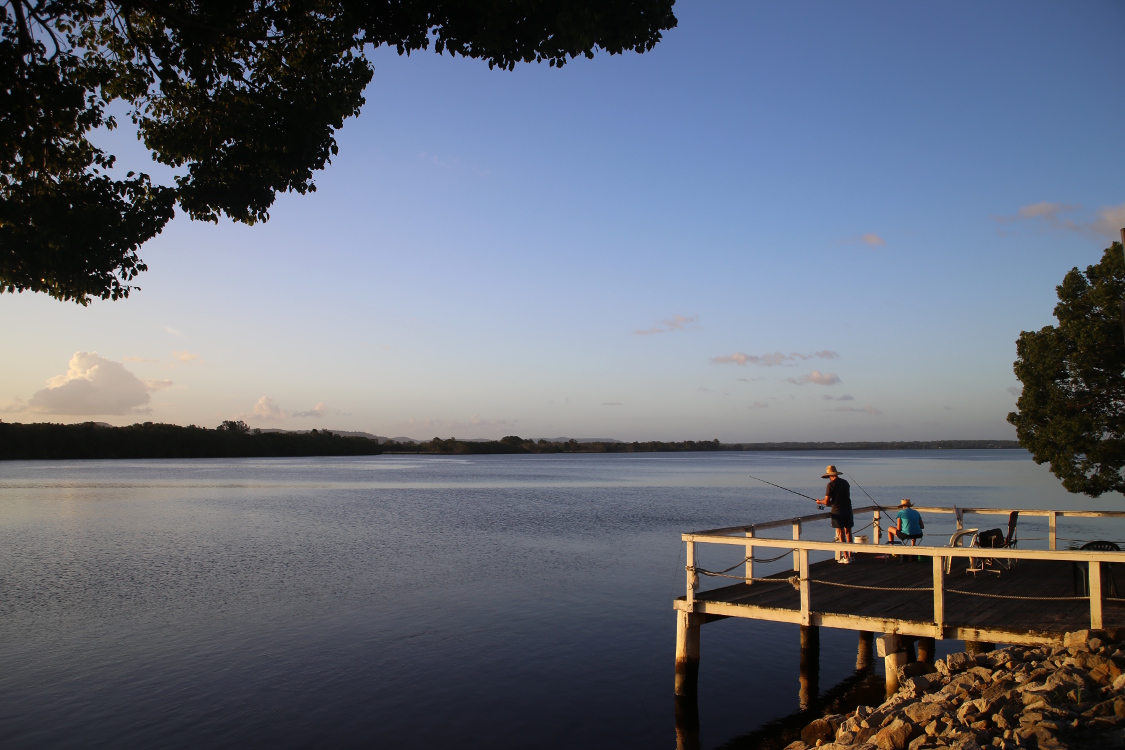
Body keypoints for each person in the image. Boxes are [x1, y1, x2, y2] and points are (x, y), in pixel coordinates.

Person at [816, 465, 854, 563]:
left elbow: (827, 501)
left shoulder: (831, 485)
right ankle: (851, 555)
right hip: (848, 509)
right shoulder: (845, 483)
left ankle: (845, 557)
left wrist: (819, 502)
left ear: (830, 475)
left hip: (837, 511)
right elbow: (842, 497)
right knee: (848, 532)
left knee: (841, 534)